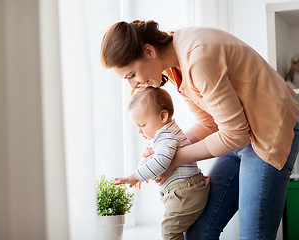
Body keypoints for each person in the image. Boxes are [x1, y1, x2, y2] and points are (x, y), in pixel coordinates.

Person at [100, 20, 299, 239]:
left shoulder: (197, 58)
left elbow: (235, 135)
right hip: (239, 134)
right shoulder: (174, 66)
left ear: (149, 51)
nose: (133, 85)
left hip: (269, 132)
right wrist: (166, 150)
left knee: (254, 235)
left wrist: (173, 159)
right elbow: (209, 123)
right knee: (198, 231)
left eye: (131, 75)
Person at [115, 86, 209, 240]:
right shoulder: (163, 135)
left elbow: (161, 163)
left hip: (185, 191)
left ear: (163, 116)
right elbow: (153, 159)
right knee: (174, 229)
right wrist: (143, 164)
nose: (140, 131)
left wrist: (136, 176)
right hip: (183, 191)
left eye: (143, 125)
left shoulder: (166, 136)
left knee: (170, 231)